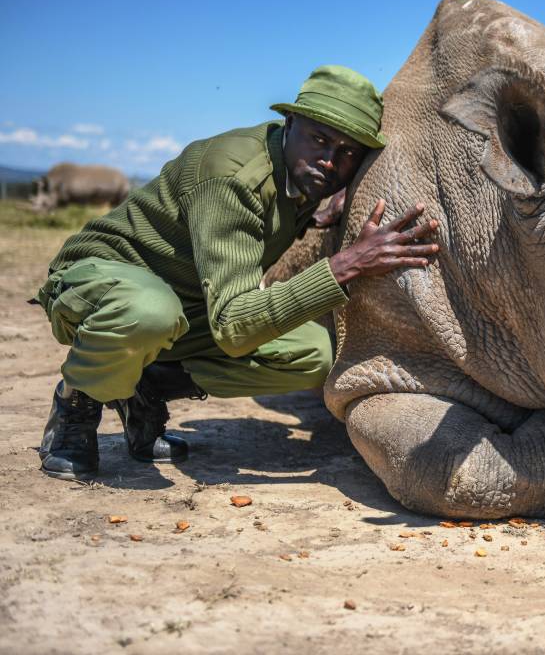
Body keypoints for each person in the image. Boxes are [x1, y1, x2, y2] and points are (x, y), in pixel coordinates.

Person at [34, 65, 439, 480]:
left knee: (316, 353)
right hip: (97, 284)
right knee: (150, 312)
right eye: (319, 139)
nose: (330, 161)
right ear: (291, 122)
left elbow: (254, 226)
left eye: (348, 153)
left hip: (183, 305)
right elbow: (233, 324)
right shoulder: (232, 178)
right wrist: (346, 264)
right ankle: (75, 407)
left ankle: (145, 386)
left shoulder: (296, 178)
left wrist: (314, 217)